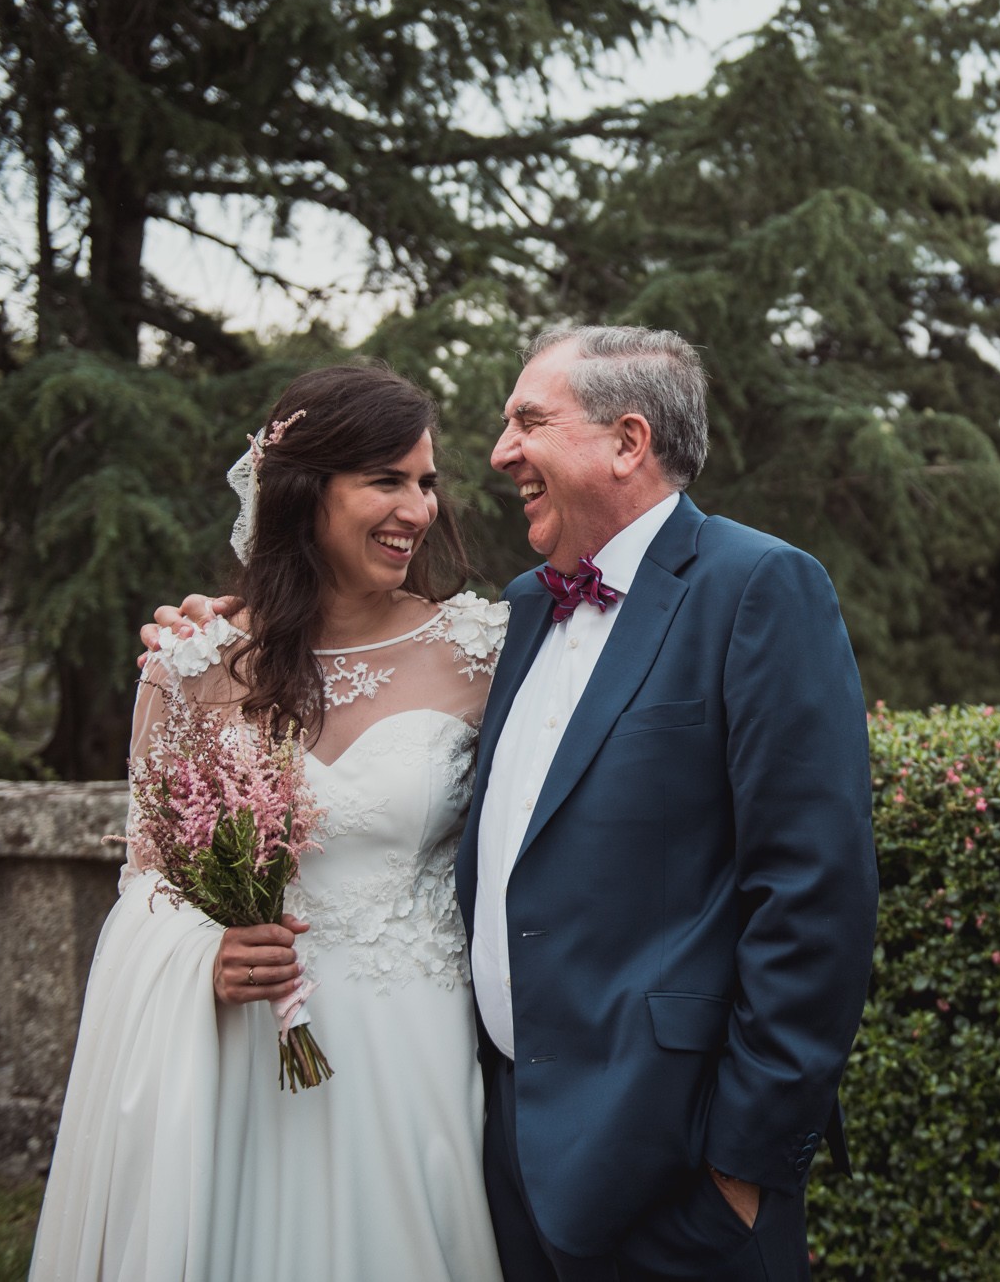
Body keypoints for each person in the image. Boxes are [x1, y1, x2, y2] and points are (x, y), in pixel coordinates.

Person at [149, 326, 879, 1282]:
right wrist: (215, 630)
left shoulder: (759, 586)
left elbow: (816, 897)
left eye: (528, 420)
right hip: (499, 1150)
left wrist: (741, 1164)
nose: (496, 456)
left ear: (627, 441)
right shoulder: (525, 609)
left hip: (678, 1168)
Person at [31, 364, 510, 1282]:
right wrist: (200, 963)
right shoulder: (192, 663)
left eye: (426, 480)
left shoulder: (479, 651)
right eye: (385, 479)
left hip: (411, 1050)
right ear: (303, 490)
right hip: (241, 1047)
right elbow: (147, 882)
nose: (417, 507)